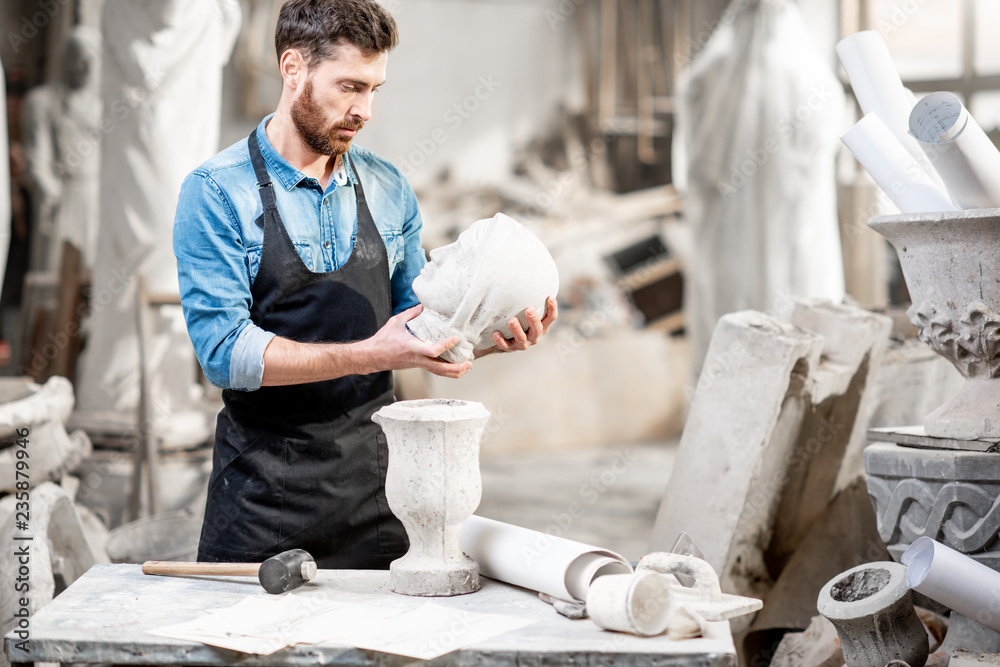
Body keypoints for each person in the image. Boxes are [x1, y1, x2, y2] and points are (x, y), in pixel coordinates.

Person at [173, 0, 557, 568]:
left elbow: (413, 324)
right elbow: (225, 354)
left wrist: (482, 334)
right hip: (260, 502)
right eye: (350, 87)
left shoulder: (387, 186)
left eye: (375, 89)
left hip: (379, 499)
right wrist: (367, 355)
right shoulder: (217, 192)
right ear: (293, 69)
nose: (366, 110)